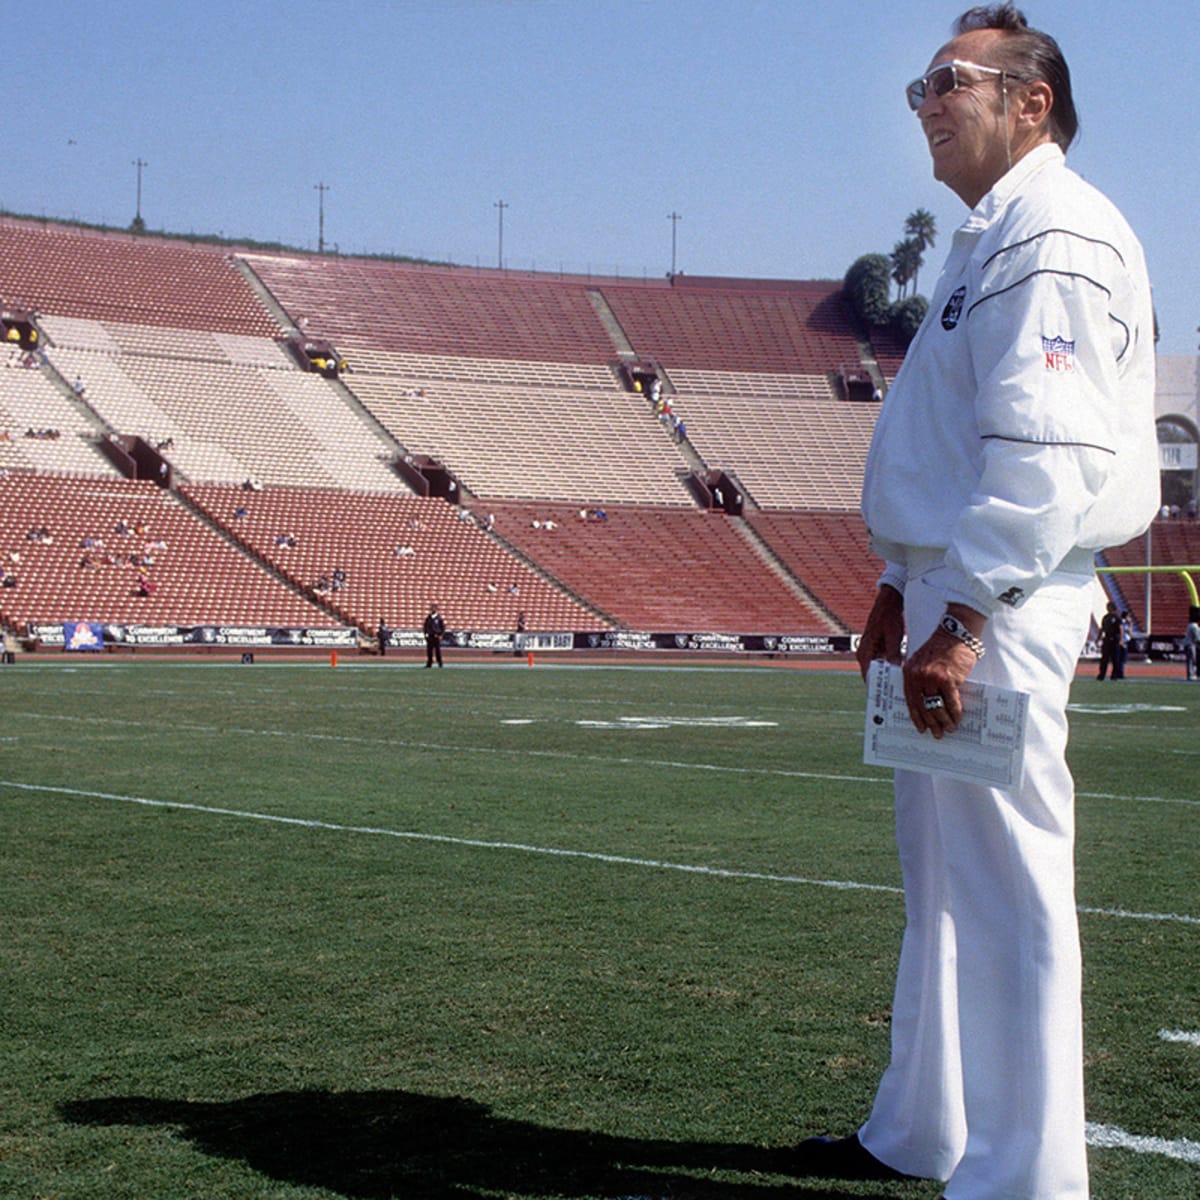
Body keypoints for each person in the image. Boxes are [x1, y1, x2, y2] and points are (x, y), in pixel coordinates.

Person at [793, 8, 1159, 1200]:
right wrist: (903, 586)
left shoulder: (1054, 233)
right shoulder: (988, 236)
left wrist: (963, 616)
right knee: (943, 885)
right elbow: (953, 443)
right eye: (920, 84)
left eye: (950, 80)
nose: (926, 103)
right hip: (955, 589)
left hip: (1003, 599)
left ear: (1033, 100)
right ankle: (926, 1130)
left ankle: (1026, 1181)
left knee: (1005, 890)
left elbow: (1043, 461)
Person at [1097, 600, 1122, 680]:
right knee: (1104, 658)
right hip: (1107, 639)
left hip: (1115, 639)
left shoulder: (1117, 617)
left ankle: (1114, 675)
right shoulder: (1105, 617)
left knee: (1115, 659)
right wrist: (1098, 638)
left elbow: (1121, 629)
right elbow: (1102, 628)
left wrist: (1121, 639)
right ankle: (1102, 675)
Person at [423, 604, 446, 668]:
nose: (433, 609)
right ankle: (429, 662)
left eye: (434, 608)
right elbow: (425, 627)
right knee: (429, 650)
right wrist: (425, 634)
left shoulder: (439, 618)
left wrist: (441, 634)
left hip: (436, 636)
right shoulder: (429, 618)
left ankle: (440, 663)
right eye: (432, 608)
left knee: (437, 650)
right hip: (430, 636)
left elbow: (442, 627)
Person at [1184, 610, 1200, 681]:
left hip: (1188, 644)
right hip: (1191, 645)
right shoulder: (1194, 627)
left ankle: (1190, 674)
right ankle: (1191, 674)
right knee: (1191, 660)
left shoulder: (1190, 625)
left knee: (1190, 660)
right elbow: (1197, 638)